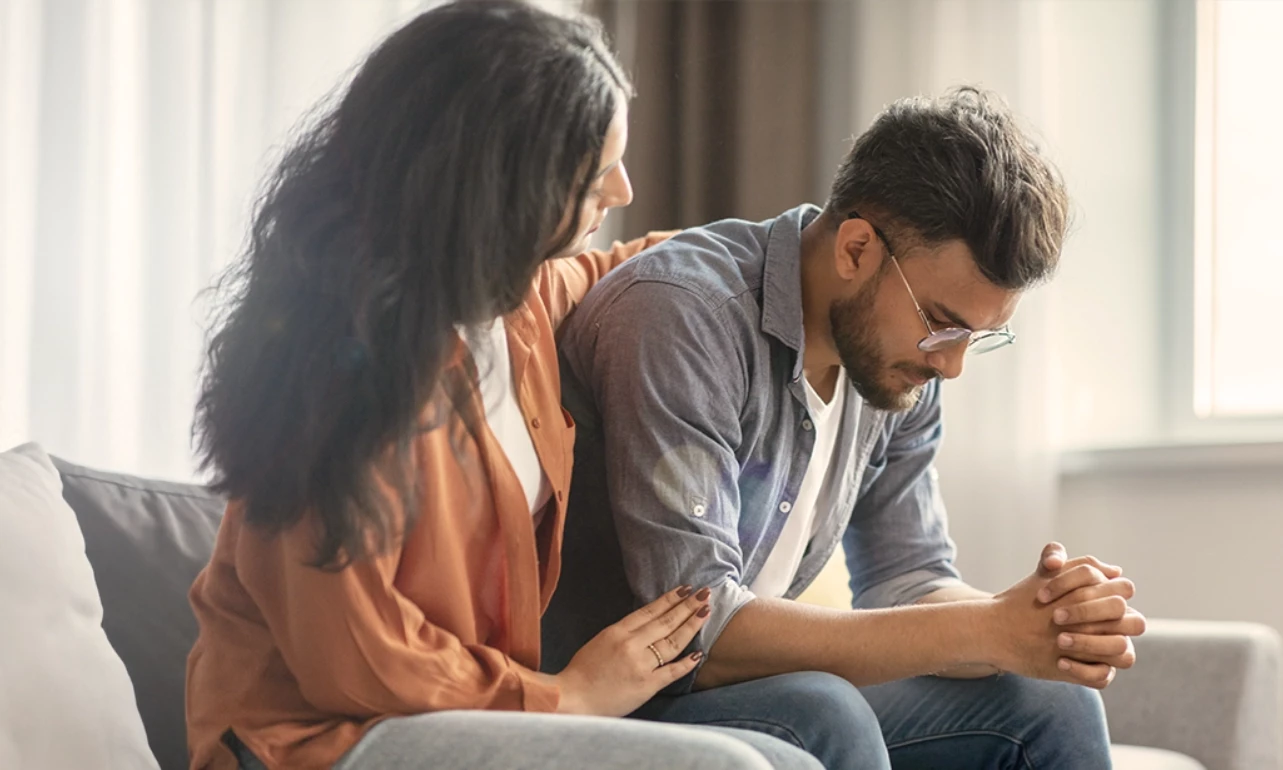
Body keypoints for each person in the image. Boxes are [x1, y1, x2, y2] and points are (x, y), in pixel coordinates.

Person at [185, 2, 822, 769]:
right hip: (315, 742)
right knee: (731, 768)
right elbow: (356, 656)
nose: (622, 189)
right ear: (499, 181)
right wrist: (567, 697)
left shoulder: (514, 306)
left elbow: (670, 269)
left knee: (799, 748)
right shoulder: (334, 374)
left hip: (467, 717)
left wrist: (813, 263)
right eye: (594, 171)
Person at [542, 87, 1147, 769]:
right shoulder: (683, 316)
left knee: (1051, 705)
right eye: (942, 324)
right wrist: (980, 630)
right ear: (856, 248)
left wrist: (1035, 625)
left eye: (976, 338)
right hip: (628, 698)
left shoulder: (893, 366)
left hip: (760, 694)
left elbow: (908, 575)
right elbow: (695, 627)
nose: (950, 366)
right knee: (823, 711)